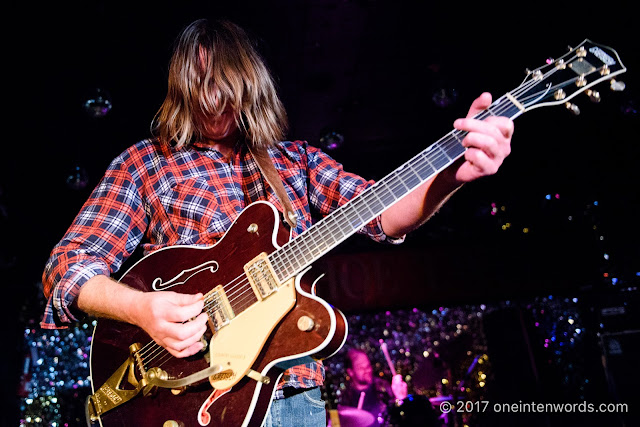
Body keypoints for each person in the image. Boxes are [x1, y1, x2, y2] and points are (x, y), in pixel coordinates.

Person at [40, 18, 513, 427]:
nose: (210, 101)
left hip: (295, 396)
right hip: (188, 398)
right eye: (197, 86)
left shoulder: (295, 162)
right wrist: (141, 309)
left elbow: (382, 214)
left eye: (223, 86)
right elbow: (67, 268)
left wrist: (454, 173)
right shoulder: (146, 164)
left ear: (250, 83)